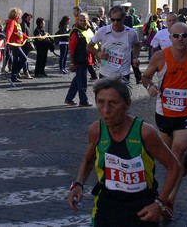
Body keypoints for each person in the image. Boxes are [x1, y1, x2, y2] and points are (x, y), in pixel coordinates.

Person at [68, 78, 181, 226]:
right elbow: (89, 159)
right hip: (105, 208)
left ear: (127, 104)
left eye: (113, 103)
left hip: (142, 210)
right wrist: (78, 184)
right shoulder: (96, 130)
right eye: (100, 102)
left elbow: (174, 166)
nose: (106, 110)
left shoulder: (145, 133)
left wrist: (160, 203)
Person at [141, 22, 187, 219]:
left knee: (176, 154)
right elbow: (145, 77)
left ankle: (168, 201)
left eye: (184, 35)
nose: (180, 39)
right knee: (169, 160)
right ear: (170, 37)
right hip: (164, 112)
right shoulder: (160, 56)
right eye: (176, 36)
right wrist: (149, 87)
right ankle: (185, 161)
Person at [88, 5, 140, 83]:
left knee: (121, 95)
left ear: (123, 18)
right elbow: (89, 46)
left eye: (118, 20)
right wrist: (98, 54)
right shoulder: (103, 31)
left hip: (123, 73)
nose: (115, 22)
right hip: (105, 72)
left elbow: (137, 45)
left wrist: (135, 57)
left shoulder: (131, 33)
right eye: (113, 20)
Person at [65, 12, 95, 107]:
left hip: (87, 58)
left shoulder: (89, 29)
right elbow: (72, 49)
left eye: (84, 20)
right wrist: (72, 63)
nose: (83, 22)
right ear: (78, 21)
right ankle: (83, 101)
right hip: (79, 60)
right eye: (81, 20)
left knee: (77, 80)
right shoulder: (75, 32)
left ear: (87, 20)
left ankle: (69, 99)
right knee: (82, 82)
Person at [5, 8, 31, 83]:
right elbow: (9, 31)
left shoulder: (16, 22)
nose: (20, 15)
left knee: (16, 60)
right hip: (14, 44)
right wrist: (7, 40)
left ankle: (14, 77)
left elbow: (19, 33)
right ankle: (16, 73)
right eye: (19, 14)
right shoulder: (12, 21)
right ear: (16, 14)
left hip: (17, 43)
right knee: (24, 58)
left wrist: (26, 37)